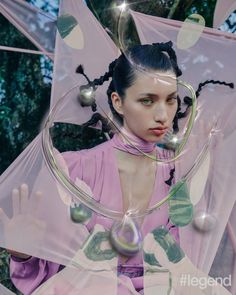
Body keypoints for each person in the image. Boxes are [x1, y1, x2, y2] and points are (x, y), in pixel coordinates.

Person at [7, 41, 201, 294]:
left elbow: (192, 259)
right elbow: (48, 272)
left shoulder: (180, 174)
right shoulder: (72, 169)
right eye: (147, 101)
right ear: (118, 102)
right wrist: (24, 254)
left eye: (171, 100)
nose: (163, 115)